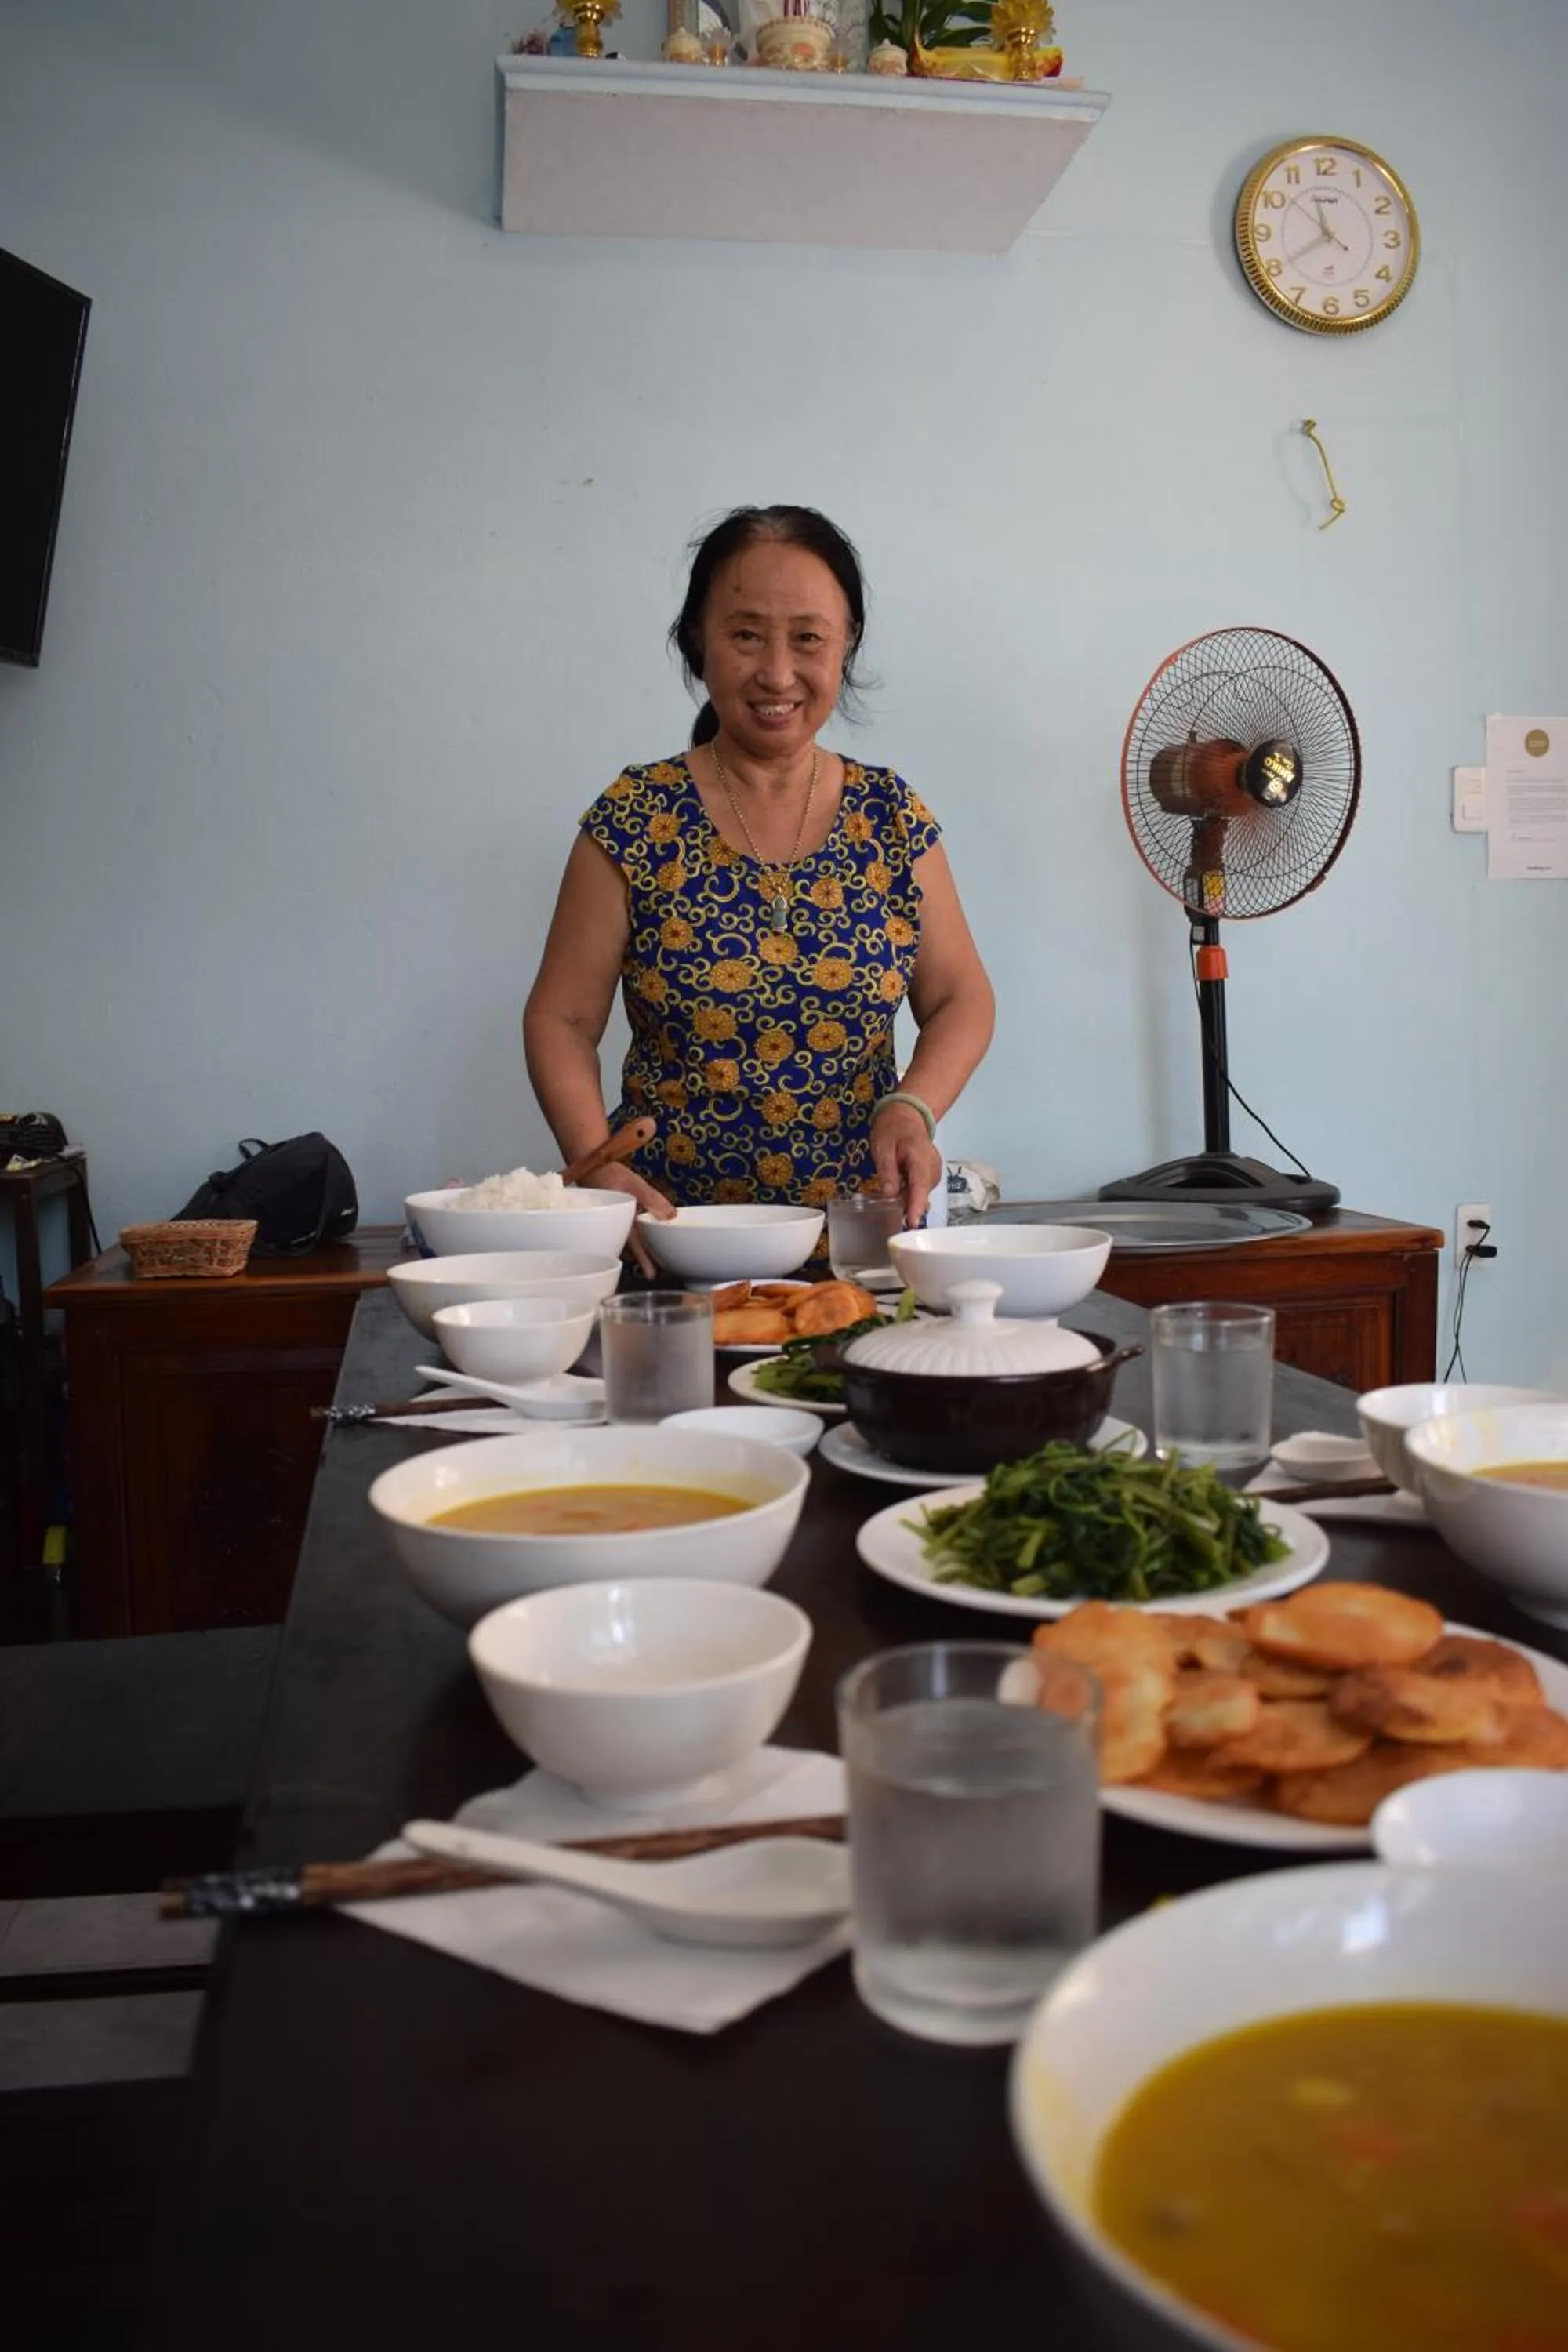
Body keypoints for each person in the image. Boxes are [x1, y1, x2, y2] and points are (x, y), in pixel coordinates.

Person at [523, 505, 995, 1259]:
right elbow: (562, 1018)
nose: (778, 673)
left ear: (845, 645)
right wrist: (597, 1163)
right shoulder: (635, 816)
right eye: (746, 635)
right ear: (698, 644)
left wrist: (914, 1106)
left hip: (858, 1245)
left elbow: (959, 996)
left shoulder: (892, 817)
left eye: (807, 638)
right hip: (669, 1242)